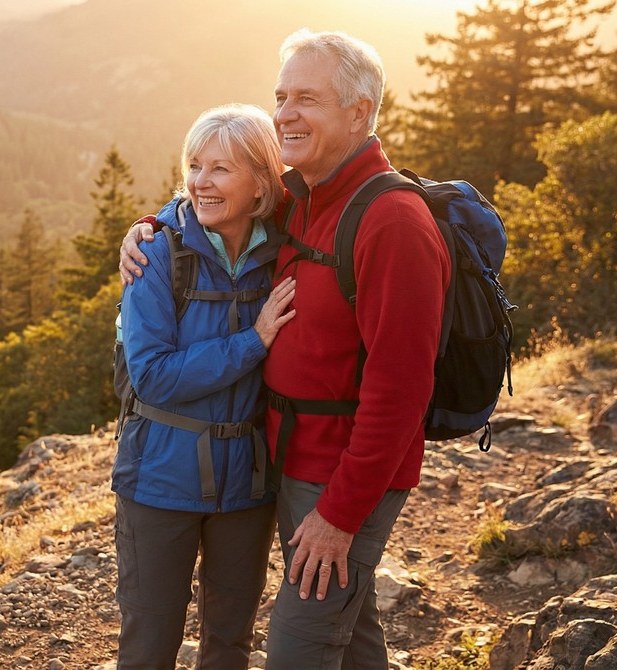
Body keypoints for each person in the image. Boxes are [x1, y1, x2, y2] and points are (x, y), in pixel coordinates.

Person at [119, 30, 451, 669]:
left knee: (297, 650)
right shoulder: (305, 198)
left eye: (308, 98)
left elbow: (402, 390)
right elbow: (217, 192)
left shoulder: (392, 222)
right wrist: (151, 228)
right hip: (290, 466)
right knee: (350, 637)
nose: (286, 113)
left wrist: (340, 514)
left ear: (359, 113)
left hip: (342, 476)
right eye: (281, 97)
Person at [113, 102, 295, 669]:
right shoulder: (157, 252)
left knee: (230, 642)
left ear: (261, 181)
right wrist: (253, 340)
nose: (201, 181)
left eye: (221, 168)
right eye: (195, 164)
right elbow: (152, 376)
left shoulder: (286, 247)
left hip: (246, 483)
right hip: (159, 481)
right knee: (149, 645)